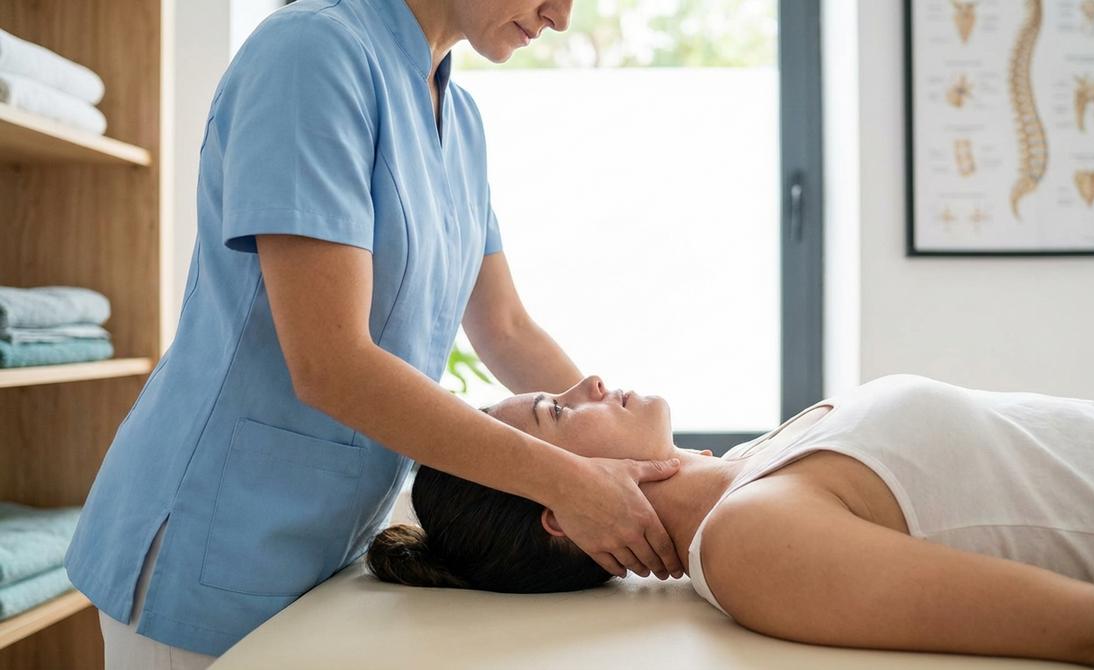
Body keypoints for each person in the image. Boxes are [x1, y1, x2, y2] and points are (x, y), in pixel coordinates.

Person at [65, 1, 687, 667]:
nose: (559, 16)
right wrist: (571, 484)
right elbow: (331, 364)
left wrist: (633, 462)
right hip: (211, 537)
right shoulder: (313, 54)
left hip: (324, 548)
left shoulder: (462, 121)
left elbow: (505, 328)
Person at [368, 373, 1094, 669]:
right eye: (555, 411)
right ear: (563, 511)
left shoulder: (756, 456)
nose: (584, 379)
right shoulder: (751, 542)